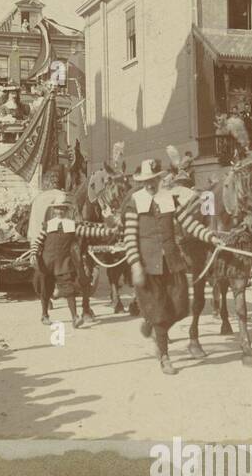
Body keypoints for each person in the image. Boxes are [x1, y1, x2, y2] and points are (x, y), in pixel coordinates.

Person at [122, 158, 223, 374]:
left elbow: (189, 224)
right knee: (160, 312)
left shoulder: (170, 199)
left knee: (180, 308)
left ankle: (151, 324)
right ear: (141, 182)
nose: (150, 184)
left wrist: (211, 237)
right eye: (146, 181)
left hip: (172, 262)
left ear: (159, 179)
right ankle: (165, 356)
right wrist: (135, 264)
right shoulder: (134, 202)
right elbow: (129, 237)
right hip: (148, 266)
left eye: (154, 180)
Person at [32, 201, 117, 328]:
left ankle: (75, 318)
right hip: (47, 262)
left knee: (69, 290)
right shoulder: (48, 225)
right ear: (54, 210)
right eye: (57, 209)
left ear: (66, 211)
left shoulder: (73, 225)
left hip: (63, 263)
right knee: (45, 289)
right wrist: (34, 254)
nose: (60, 211)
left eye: (62, 209)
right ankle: (44, 315)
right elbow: (37, 242)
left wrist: (110, 231)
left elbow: (91, 232)